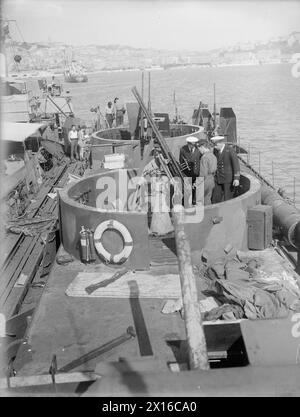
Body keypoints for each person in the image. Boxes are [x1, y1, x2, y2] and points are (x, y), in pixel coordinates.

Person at [211, 136, 240, 203]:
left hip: (228, 179)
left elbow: (236, 165)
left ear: (221, 143)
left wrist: (236, 178)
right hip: (218, 178)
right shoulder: (215, 150)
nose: (215, 147)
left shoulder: (230, 150)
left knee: (228, 198)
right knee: (215, 198)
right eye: (214, 145)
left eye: (216, 145)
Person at [179, 136, 201, 205]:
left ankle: (194, 202)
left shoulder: (198, 150)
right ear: (188, 143)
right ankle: (187, 203)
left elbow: (200, 160)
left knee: (196, 189)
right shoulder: (183, 149)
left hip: (196, 172)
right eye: (191, 144)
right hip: (187, 173)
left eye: (194, 144)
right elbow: (181, 160)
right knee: (188, 190)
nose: (193, 146)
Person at [198, 140, 217, 205]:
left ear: (202, 147)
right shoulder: (213, 156)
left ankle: (201, 214)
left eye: (199, 149)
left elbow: (203, 173)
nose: (199, 151)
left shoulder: (204, 157)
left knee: (200, 200)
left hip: (205, 181)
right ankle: (210, 213)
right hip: (211, 180)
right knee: (208, 198)